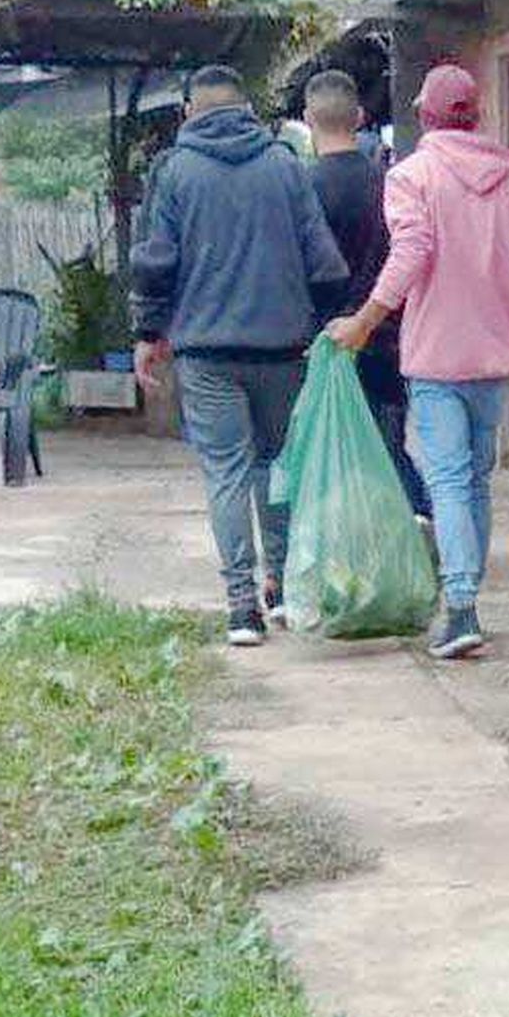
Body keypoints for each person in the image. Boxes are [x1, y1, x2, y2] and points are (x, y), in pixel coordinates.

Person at [326, 63, 509, 661]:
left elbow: (413, 248)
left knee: (446, 482)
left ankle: (462, 606)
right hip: (495, 358)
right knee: (472, 481)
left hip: (438, 357)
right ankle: (467, 597)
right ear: (475, 116)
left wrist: (365, 321)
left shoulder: (410, 177)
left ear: (426, 116)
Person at [132, 65, 347, 648]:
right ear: (248, 110)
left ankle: (241, 608)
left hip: (205, 354)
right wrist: (320, 322)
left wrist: (150, 334)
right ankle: (281, 586)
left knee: (226, 471)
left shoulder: (174, 172)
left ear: (190, 113)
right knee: (277, 465)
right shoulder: (285, 166)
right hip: (283, 349)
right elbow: (325, 264)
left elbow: (156, 263)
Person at [302, 68, 432, 521]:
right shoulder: (392, 181)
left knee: (329, 451)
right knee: (388, 448)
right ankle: (422, 533)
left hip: (323, 341)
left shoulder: (303, 189)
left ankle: (343, 540)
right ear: (358, 117)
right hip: (388, 336)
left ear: (308, 118)